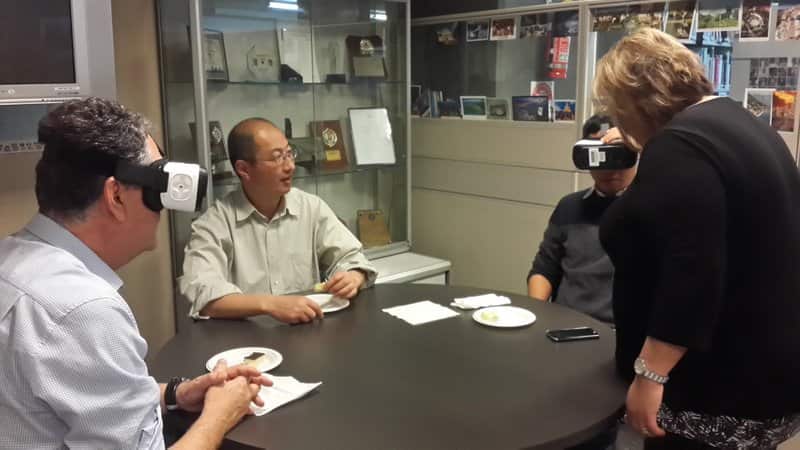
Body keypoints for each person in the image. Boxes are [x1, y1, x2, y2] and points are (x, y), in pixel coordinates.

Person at [0, 98, 271, 449]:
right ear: (115, 196)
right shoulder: (84, 311)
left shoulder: (12, 260)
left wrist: (176, 393)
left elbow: (65, 398)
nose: (163, 207)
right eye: (158, 187)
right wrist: (220, 413)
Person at [593, 28, 800, 449]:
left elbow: (693, 273)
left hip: (718, 388)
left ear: (634, 99)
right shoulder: (743, 124)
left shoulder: (680, 145)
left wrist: (651, 376)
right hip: (771, 373)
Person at [179, 118, 378, 323]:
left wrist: (353, 277)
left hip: (308, 333)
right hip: (246, 344)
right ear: (244, 169)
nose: (290, 166)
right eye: (277, 158)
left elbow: (352, 256)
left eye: (289, 154)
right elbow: (204, 293)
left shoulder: (310, 207)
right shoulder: (214, 223)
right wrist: (270, 305)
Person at [527, 115, 635, 324]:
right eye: (599, 154)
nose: (609, 167)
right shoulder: (569, 206)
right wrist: (536, 315)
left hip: (619, 331)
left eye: (618, 154)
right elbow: (545, 268)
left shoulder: (652, 209)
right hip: (565, 323)